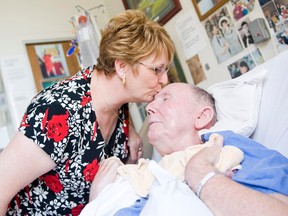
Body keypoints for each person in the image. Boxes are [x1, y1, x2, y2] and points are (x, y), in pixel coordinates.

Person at [0, 9, 175, 215]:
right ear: (121, 67)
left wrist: (131, 130)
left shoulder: (119, 97)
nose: (164, 79)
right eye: (157, 69)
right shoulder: (59, 109)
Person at [82, 83, 288, 215]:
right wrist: (98, 200)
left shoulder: (226, 147)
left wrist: (200, 172)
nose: (149, 107)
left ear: (202, 116)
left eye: (165, 98)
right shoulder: (145, 175)